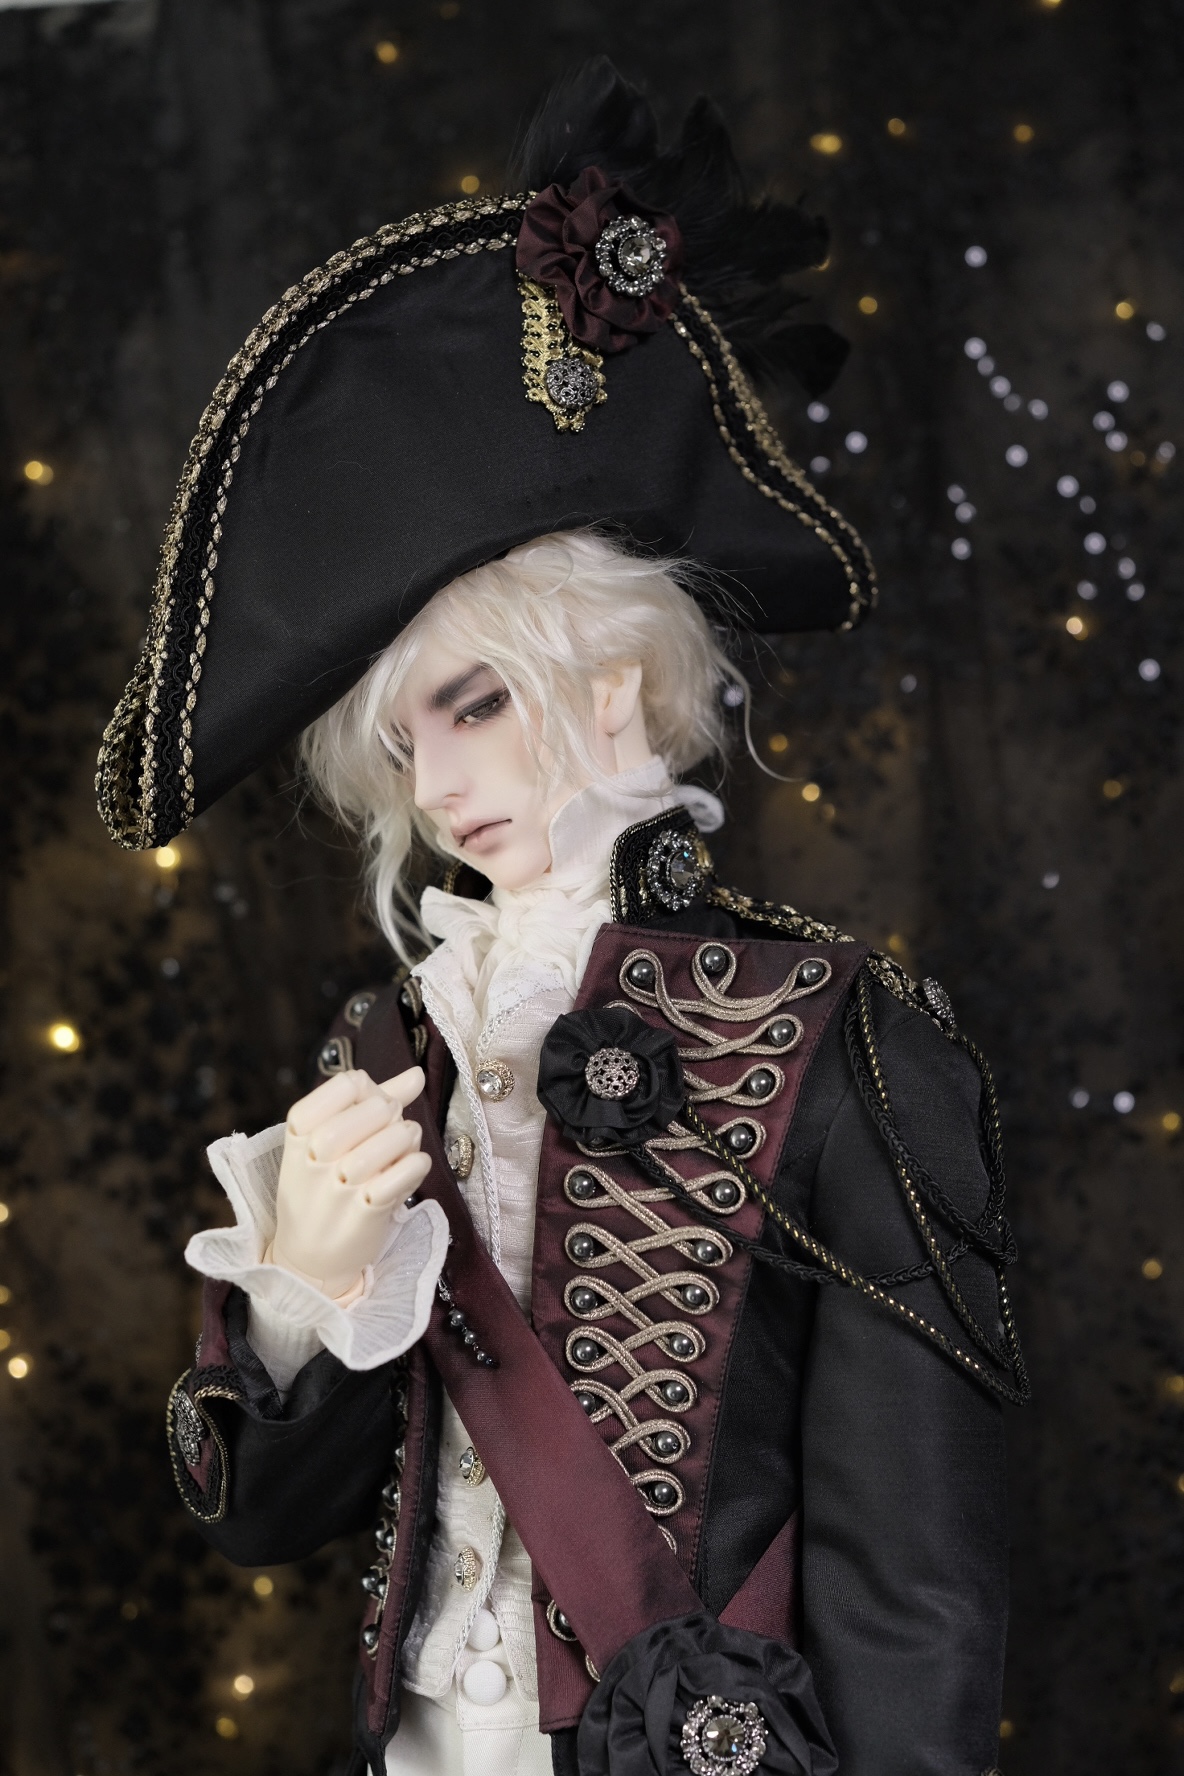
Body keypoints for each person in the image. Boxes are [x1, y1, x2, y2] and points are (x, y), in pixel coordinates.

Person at [98, 59, 1025, 1776]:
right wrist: (302, 1289)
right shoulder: (388, 1048)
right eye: (404, 745)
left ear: (608, 677)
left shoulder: (839, 1038)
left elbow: (921, 1590)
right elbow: (265, 1522)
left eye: (473, 703)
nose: (440, 786)